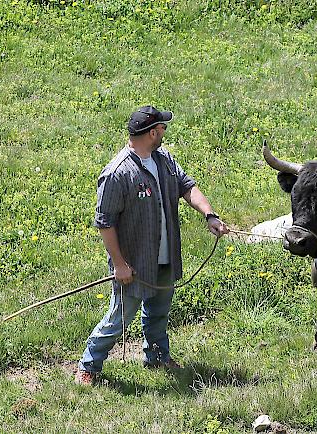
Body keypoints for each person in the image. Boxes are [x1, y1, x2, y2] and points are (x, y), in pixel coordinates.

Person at [75, 105, 229, 386]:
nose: (165, 132)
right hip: (133, 263)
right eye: (162, 128)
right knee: (119, 318)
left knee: (159, 311)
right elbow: (105, 223)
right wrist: (120, 264)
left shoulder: (164, 160)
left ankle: (157, 356)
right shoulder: (117, 173)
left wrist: (210, 215)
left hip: (164, 257)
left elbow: (187, 187)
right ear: (153, 132)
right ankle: (89, 365)